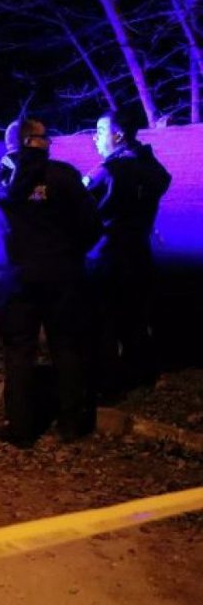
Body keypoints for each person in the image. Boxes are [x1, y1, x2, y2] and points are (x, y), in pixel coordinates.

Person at [0, 118, 101, 447]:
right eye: (45, 136)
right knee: (66, 345)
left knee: (18, 349)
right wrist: (69, 254)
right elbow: (91, 225)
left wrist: (4, 259)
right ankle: (71, 423)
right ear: (31, 140)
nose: (50, 141)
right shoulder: (64, 177)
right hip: (62, 276)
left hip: (13, 281)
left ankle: (21, 426)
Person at [85, 107, 171, 400]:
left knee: (103, 320)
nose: (95, 138)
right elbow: (161, 180)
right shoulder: (151, 169)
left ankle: (109, 385)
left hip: (106, 256)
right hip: (138, 253)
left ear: (118, 135)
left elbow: (79, 207)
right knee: (134, 316)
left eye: (100, 131)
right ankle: (142, 375)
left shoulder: (106, 172)